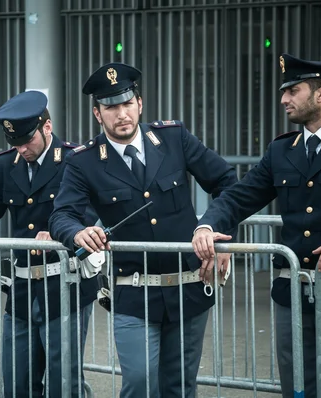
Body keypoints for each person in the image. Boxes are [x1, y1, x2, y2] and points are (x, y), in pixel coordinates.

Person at [192, 54, 321, 398]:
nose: (284, 99)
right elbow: (240, 196)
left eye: (293, 90)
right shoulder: (282, 150)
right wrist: (207, 226)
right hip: (295, 299)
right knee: (298, 390)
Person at [48, 62, 237, 398]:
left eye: (126, 103)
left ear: (140, 103)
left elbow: (226, 183)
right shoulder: (83, 161)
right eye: (111, 107)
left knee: (179, 387)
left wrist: (216, 230)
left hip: (189, 288)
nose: (121, 114)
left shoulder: (174, 138)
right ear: (97, 114)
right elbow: (62, 214)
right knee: (139, 383)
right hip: (133, 293)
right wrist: (77, 233)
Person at [0, 90, 99, 397]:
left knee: (63, 385)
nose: (22, 149)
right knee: (17, 382)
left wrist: (60, 232)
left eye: (27, 141)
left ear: (47, 127)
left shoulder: (74, 160)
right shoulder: (6, 165)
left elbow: (91, 210)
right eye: (14, 143)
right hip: (23, 287)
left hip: (65, 284)